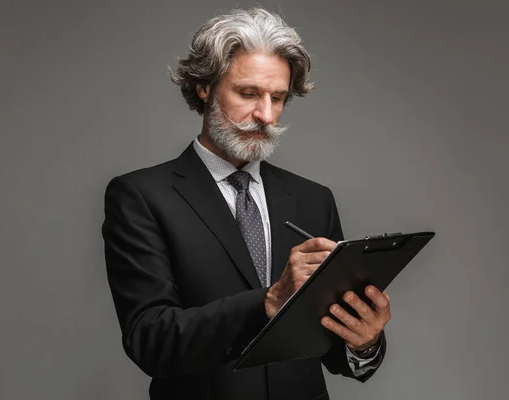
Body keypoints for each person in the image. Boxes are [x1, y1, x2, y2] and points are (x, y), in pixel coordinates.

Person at [102, 8, 391, 400]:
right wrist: (270, 300)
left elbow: (331, 351)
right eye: (249, 93)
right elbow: (151, 340)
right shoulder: (140, 196)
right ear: (204, 86)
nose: (266, 116)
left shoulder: (313, 199)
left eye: (278, 98)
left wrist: (364, 341)